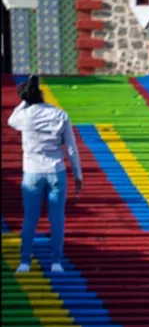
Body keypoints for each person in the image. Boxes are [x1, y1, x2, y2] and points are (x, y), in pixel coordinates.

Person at [7, 75, 83, 275]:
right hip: (56, 172)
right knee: (57, 218)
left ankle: (25, 262)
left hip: (32, 173)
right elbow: (72, 149)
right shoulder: (60, 114)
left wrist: (27, 99)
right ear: (41, 93)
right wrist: (78, 174)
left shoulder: (25, 116)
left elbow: (11, 119)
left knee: (30, 218)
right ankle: (56, 262)